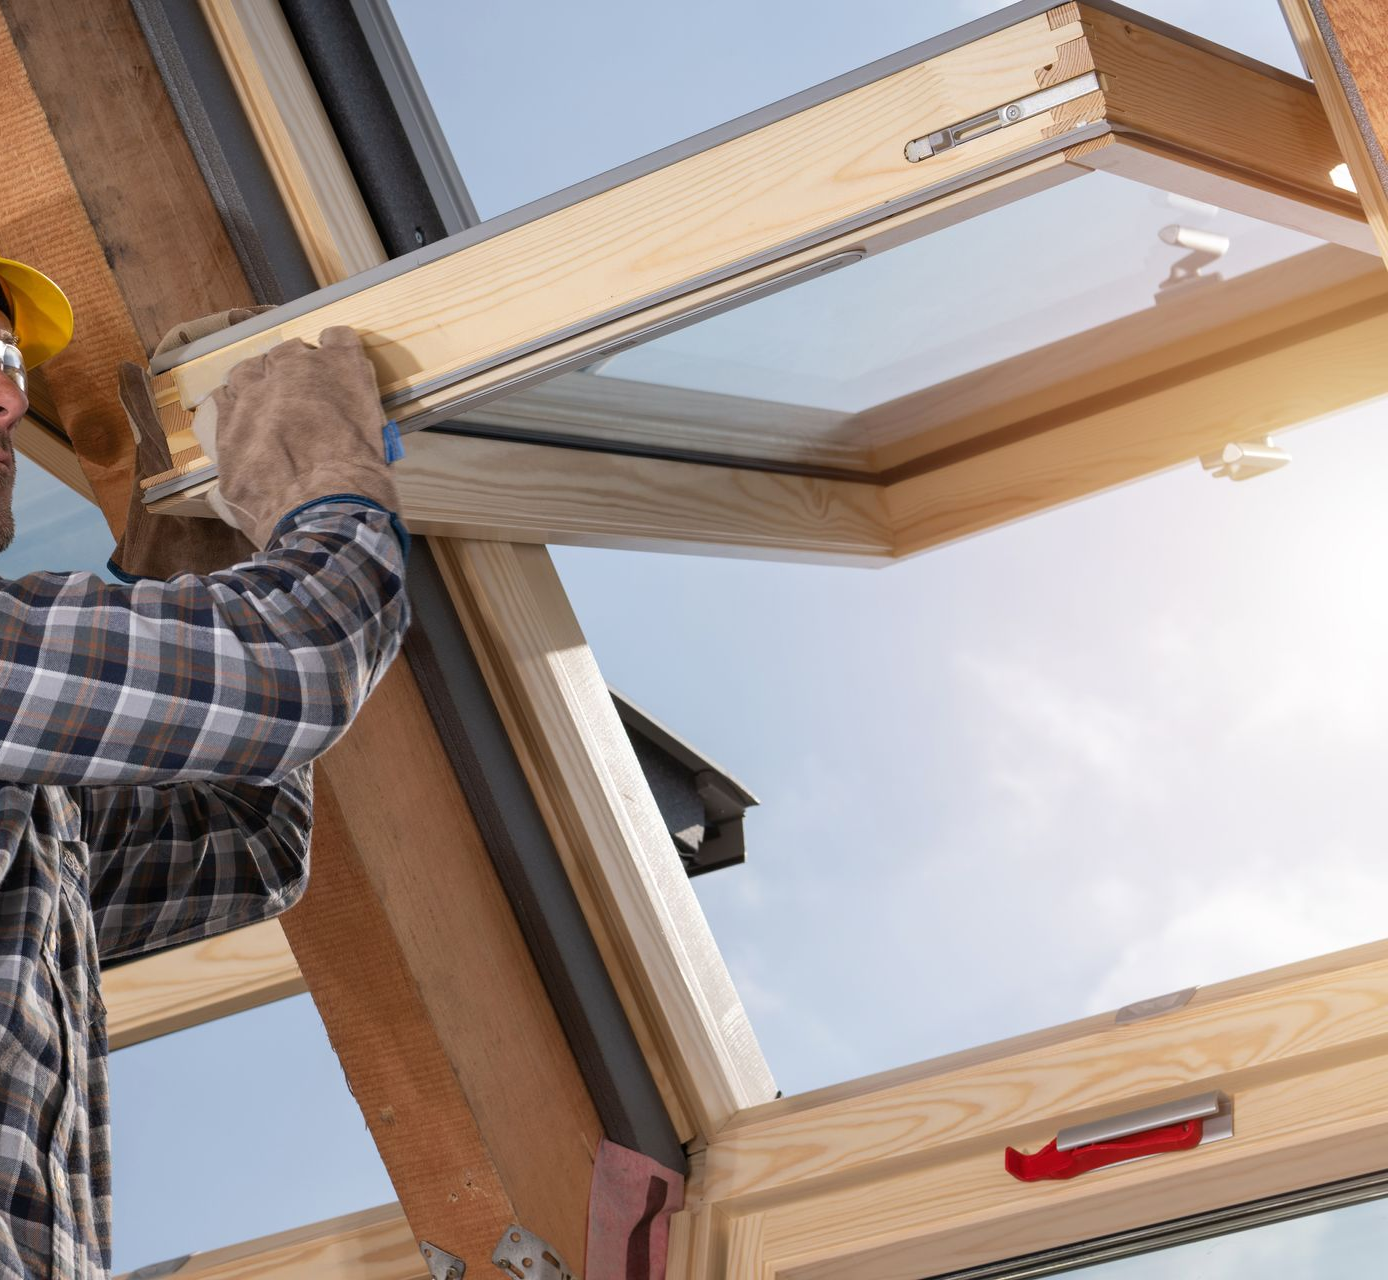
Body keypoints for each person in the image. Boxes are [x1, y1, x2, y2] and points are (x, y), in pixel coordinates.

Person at [0, 256, 410, 1279]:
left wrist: (197, 541)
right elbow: (301, 660)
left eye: (7, 361)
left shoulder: (29, 799)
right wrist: (323, 478)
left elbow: (246, 835)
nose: (11, 399)